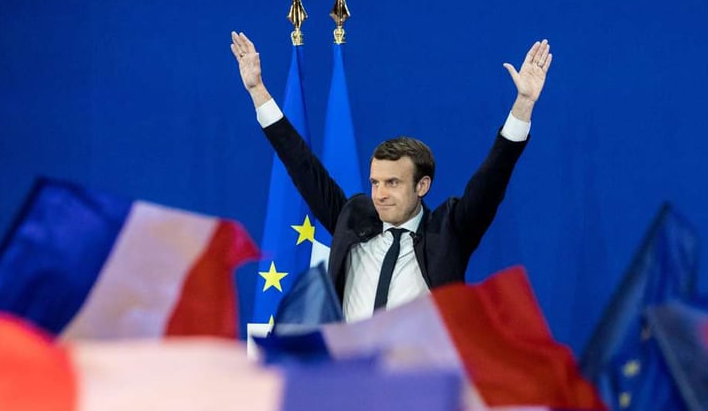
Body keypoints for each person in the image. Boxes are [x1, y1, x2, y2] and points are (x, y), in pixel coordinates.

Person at [231, 31, 552, 322]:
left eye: (393, 183)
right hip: (348, 376)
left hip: (418, 378)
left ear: (422, 185)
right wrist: (258, 91)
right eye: (375, 182)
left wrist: (523, 104)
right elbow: (302, 165)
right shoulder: (352, 218)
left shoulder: (450, 231)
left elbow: (492, 178)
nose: (380, 193)